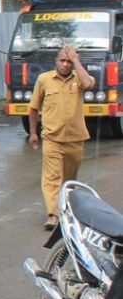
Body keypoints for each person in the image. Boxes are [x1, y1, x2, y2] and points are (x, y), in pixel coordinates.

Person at [28, 45, 94, 230]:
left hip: (75, 138)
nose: (65, 64)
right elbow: (33, 108)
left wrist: (76, 60)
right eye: (62, 60)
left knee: (69, 179)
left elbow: (88, 84)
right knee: (52, 178)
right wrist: (33, 133)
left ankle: (68, 210)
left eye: (68, 61)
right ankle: (53, 215)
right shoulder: (44, 80)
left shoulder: (80, 79)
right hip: (52, 138)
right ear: (56, 62)